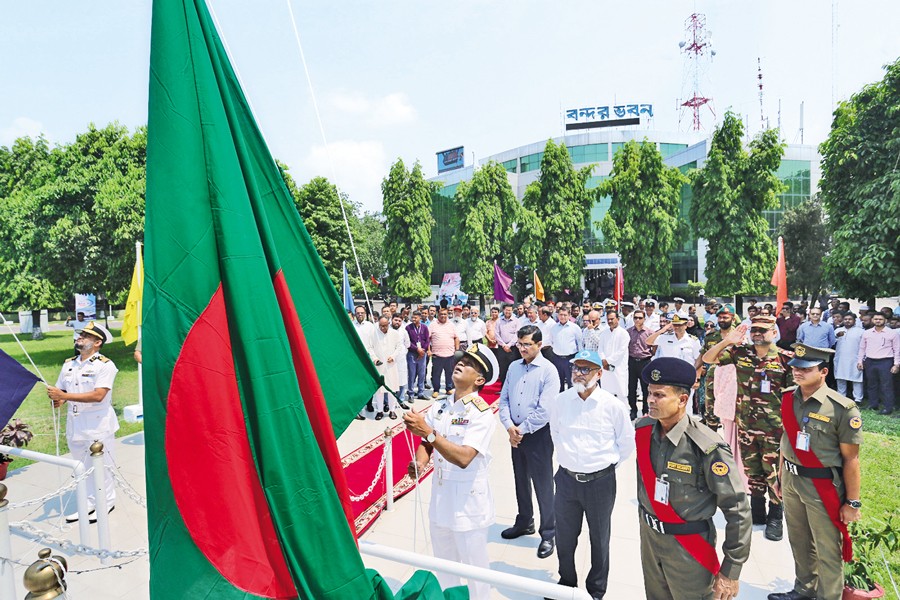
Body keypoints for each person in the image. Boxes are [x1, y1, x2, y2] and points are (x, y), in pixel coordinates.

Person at [635, 358, 750, 600]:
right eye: (649, 393)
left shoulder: (707, 446)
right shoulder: (644, 431)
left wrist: (731, 570)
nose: (650, 400)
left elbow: (737, 508)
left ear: (683, 400)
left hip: (688, 548)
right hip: (650, 540)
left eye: (659, 395)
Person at [768, 343, 863, 600]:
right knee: (799, 540)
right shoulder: (789, 397)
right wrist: (780, 477)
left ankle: (828, 596)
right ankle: (804, 589)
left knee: (827, 547)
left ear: (823, 372)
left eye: (806, 369)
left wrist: (852, 502)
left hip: (822, 486)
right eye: (795, 368)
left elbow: (851, 459)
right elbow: (785, 440)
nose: (797, 373)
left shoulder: (842, 409)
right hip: (791, 480)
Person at [404, 344, 500, 600]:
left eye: (468, 364)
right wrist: (419, 462)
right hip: (441, 500)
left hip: (468, 505)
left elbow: (464, 457)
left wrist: (428, 433)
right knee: (445, 568)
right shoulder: (440, 406)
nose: (460, 364)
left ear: (479, 380)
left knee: (475, 573)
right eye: (461, 360)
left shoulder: (481, 414)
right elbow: (427, 444)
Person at [546, 349, 635, 599]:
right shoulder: (561, 401)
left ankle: (596, 589)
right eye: (576, 368)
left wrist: (603, 468)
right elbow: (555, 433)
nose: (579, 374)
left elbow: (626, 444)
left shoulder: (613, 406)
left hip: (600, 483)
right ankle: (566, 582)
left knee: (599, 537)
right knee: (565, 536)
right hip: (566, 480)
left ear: (599, 374)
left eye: (585, 369)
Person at [702, 316, 791, 541]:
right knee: (752, 471)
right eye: (754, 330)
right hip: (746, 426)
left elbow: (793, 397)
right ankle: (757, 511)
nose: (757, 333)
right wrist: (727, 341)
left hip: (774, 430)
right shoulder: (740, 353)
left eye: (763, 330)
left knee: (774, 473)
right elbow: (708, 358)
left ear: (774, 333)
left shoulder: (785, 359)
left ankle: (775, 516)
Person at [497, 325, 561, 558]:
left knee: (543, 485)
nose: (522, 348)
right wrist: (509, 426)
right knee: (520, 479)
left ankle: (549, 532)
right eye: (520, 344)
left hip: (538, 435)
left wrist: (520, 430)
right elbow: (503, 399)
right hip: (515, 433)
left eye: (527, 344)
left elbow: (545, 410)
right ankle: (525, 521)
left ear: (539, 345)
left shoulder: (548, 371)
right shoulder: (514, 367)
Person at [47, 322, 119, 521]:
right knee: (82, 467)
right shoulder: (69, 364)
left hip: (98, 425)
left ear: (97, 342)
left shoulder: (105, 365)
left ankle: (107, 502)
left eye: (86, 335)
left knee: (102, 467)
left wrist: (64, 396)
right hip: (75, 424)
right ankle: (89, 502)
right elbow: (62, 391)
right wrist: (58, 399)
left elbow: (98, 395)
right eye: (80, 334)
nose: (80, 337)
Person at [697, 305, 738, 430]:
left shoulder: (739, 336)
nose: (721, 320)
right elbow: (702, 356)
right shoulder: (711, 336)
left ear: (733, 319)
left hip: (732, 378)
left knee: (731, 410)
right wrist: (694, 372)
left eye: (725, 317)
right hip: (713, 377)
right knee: (711, 409)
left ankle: (730, 437)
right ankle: (712, 437)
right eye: (719, 317)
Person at [856, 312, 900, 414]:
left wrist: (896, 364)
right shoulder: (867, 333)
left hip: (886, 361)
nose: (878, 321)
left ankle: (887, 407)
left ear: (885, 321)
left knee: (886, 385)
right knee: (871, 384)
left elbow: (897, 350)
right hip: (870, 361)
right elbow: (862, 348)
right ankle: (873, 404)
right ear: (872, 320)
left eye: (880, 319)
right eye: (876, 319)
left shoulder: (892, 333)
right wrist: (860, 361)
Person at [369, 316, 405, 420]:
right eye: (381, 326)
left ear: (388, 324)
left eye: (385, 326)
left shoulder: (395, 334)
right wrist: (374, 358)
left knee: (391, 389)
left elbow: (399, 347)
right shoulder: (374, 333)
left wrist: (393, 356)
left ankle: (392, 410)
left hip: (391, 366)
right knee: (379, 391)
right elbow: (370, 348)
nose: (382, 328)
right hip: (379, 366)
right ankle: (380, 411)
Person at [627, 310, 654, 420]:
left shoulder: (649, 332)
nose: (637, 320)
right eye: (635, 318)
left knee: (646, 388)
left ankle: (645, 411)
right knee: (631, 388)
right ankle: (633, 410)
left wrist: (649, 354)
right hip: (632, 361)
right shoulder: (628, 332)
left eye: (640, 318)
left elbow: (654, 347)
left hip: (645, 362)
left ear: (644, 319)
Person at [597, 310, 629, 403]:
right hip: (605, 367)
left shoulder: (624, 333)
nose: (610, 321)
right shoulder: (604, 333)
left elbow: (621, 351)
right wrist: (603, 360)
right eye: (608, 319)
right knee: (606, 392)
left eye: (612, 319)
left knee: (621, 393)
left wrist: (607, 360)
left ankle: (624, 410)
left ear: (618, 319)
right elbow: (600, 349)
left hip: (619, 367)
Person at [549, 307, 583, 392]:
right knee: (558, 382)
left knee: (571, 382)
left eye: (565, 315)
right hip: (557, 359)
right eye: (561, 314)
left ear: (569, 315)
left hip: (570, 359)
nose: (562, 317)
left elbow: (579, 344)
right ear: (558, 315)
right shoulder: (554, 327)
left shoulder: (575, 327)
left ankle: (571, 399)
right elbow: (551, 342)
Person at [428, 307, 459, 397]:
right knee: (436, 374)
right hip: (437, 355)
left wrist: (457, 350)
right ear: (438, 314)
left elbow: (456, 337)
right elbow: (428, 339)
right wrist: (429, 350)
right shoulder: (433, 325)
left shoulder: (451, 325)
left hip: (450, 354)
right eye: (441, 314)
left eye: (445, 314)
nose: (443, 316)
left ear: (447, 315)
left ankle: (449, 389)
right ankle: (436, 390)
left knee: (449, 373)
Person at [834, 313, 864, 404]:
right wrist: (837, 336)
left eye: (850, 319)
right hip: (840, 359)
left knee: (857, 379)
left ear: (854, 321)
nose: (847, 321)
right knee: (840, 378)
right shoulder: (837, 330)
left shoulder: (861, 331)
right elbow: (832, 342)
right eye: (846, 319)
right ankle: (841, 397)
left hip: (855, 358)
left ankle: (858, 399)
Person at [405, 310, 430, 401]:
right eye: (412, 317)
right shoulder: (408, 328)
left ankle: (421, 392)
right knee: (411, 374)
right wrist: (417, 349)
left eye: (415, 318)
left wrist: (423, 351)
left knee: (422, 374)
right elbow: (407, 342)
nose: (413, 319)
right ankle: (411, 393)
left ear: (420, 318)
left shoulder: (424, 327)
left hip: (422, 354)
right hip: (412, 354)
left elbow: (427, 340)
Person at [495, 304, 522, 384]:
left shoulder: (516, 321)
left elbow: (517, 334)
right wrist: (504, 345)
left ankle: (513, 385)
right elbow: (497, 334)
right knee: (502, 368)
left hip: (512, 348)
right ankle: (503, 386)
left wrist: (509, 345)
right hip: (502, 348)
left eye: (510, 310)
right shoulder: (499, 321)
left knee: (513, 367)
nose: (508, 312)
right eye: (506, 310)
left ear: (512, 311)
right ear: (503, 310)